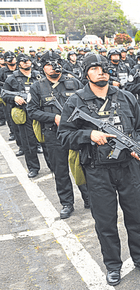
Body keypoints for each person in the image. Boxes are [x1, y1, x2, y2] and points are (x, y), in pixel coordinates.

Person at [58, 53, 140, 286]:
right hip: (97, 170)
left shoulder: (126, 97)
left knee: (137, 216)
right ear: (86, 73)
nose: (101, 71)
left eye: (103, 67)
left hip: (128, 167)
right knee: (105, 221)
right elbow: (64, 136)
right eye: (94, 68)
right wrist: (89, 135)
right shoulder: (76, 101)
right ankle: (113, 265)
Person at [27, 51, 89, 218]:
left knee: (83, 165)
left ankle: (88, 198)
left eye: (55, 63)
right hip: (53, 135)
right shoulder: (37, 86)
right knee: (60, 171)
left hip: (75, 133)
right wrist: (54, 117)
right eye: (48, 64)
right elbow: (31, 111)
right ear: (43, 67)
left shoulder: (73, 82)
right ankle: (67, 203)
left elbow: (87, 103)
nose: (53, 67)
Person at [2, 53, 42, 178]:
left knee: (47, 141)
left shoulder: (38, 75)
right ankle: (33, 168)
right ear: (18, 63)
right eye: (23, 61)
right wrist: (15, 97)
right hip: (24, 113)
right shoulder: (12, 78)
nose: (26, 62)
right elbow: (4, 94)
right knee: (28, 142)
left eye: (28, 60)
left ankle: (52, 166)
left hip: (40, 112)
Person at [1, 51, 18, 139]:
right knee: (10, 116)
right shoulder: (2, 71)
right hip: (8, 97)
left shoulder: (21, 68)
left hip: (21, 96)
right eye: (9, 58)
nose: (11, 60)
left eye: (13, 58)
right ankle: (13, 133)